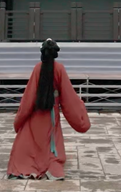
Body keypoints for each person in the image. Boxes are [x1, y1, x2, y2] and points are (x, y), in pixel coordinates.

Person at [7, 39, 90, 180]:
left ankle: (30, 166)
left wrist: (19, 120)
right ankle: (50, 166)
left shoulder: (37, 68)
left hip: (35, 114)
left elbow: (29, 97)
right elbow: (69, 97)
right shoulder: (59, 69)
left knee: (29, 141)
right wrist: (81, 116)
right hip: (51, 115)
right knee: (51, 143)